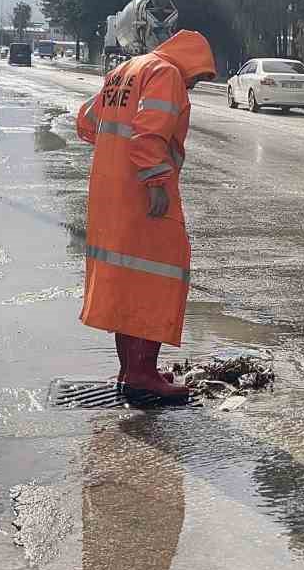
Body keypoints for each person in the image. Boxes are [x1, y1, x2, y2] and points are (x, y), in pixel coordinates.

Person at [77, 29, 217, 398]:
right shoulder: (167, 74)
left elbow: (87, 122)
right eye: (199, 76)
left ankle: (130, 370)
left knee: (127, 282)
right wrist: (155, 180)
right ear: (188, 60)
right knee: (157, 279)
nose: (195, 84)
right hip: (144, 194)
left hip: (110, 194)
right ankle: (142, 374)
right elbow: (147, 134)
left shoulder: (126, 69)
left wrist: (115, 155)